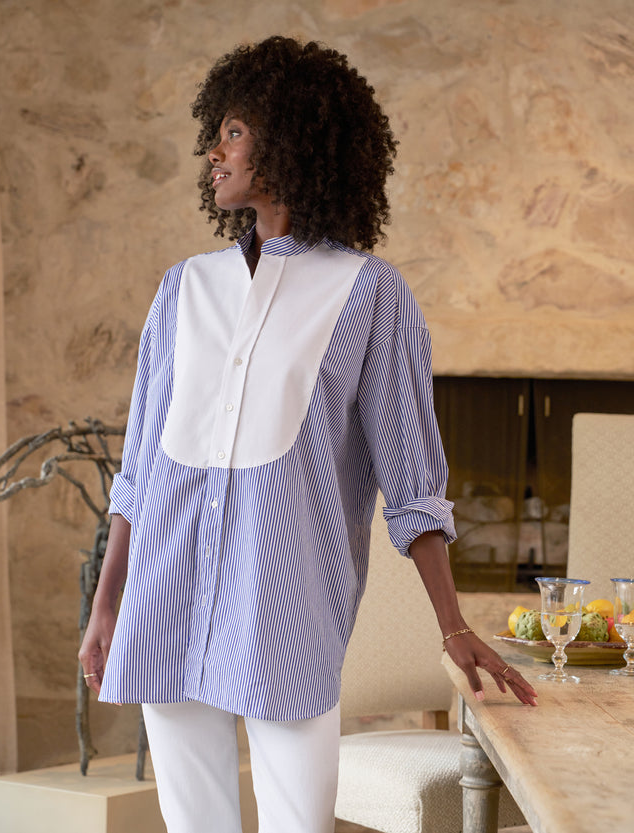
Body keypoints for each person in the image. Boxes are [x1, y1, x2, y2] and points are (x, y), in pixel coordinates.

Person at [79, 35, 537, 833]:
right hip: (165, 593)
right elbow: (141, 470)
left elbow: (413, 482)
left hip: (285, 608)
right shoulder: (184, 288)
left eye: (233, 132)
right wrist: (107, 603)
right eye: (217, 132)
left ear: (290, 140)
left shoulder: (369, 293)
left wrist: (453, 625)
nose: (214, 151)